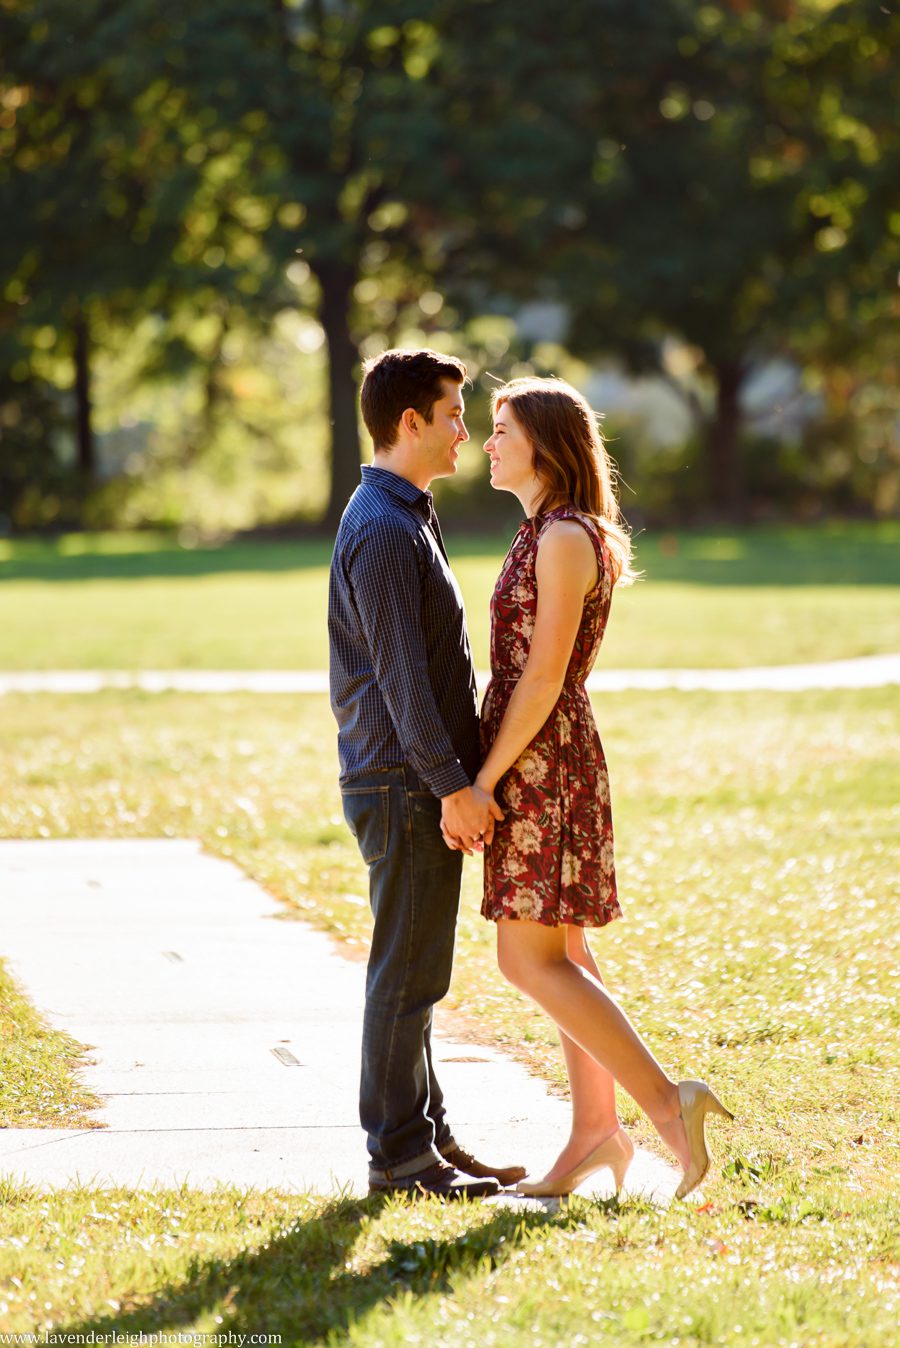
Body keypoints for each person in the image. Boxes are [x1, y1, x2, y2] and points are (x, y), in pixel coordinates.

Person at [444, 375, 733, 1199]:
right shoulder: (546, 529)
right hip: (539, 751)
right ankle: (595, 1135)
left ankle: (668, 1105)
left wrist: (484, 781)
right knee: (563, 951)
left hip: (541, 759)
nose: (488, 443)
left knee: (526, 958)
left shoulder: (565, 536)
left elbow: (542, 677)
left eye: (503, 429)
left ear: (545, 443)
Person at [328, 348, 526, 1199]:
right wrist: (451, 785)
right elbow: (402, 678)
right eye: (453, 415)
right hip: (403, 779)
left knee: (418, 971)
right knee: (406, 975)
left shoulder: (404, 512)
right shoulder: (381, 527)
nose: (465, 434)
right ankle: (400, 1158)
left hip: (413, 776)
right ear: (410, 422)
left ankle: (429, 1138)